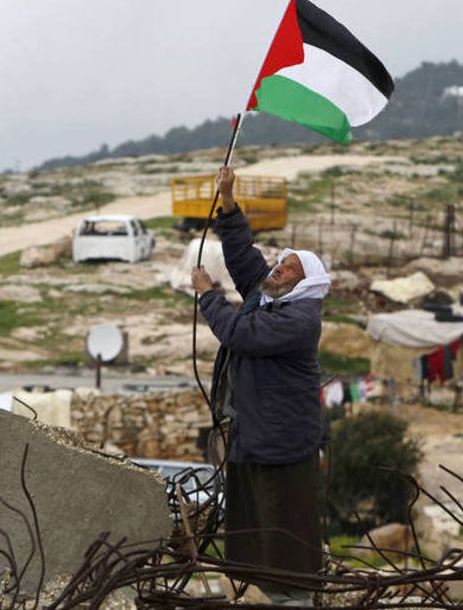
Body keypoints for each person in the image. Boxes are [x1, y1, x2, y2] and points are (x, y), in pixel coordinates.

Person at [191, 166, 330, 605]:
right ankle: (259, 592)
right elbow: (243, 255)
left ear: (304, 283)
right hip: (254, 434)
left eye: (288, 269)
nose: (278, 269)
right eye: (281, 263)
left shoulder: (299, 318)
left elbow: (239, 335)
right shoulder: (268, 297)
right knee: (252, 520)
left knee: (285, 523)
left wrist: (209, 296)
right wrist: (228, 200)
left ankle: (293, 597)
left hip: (282, 440)